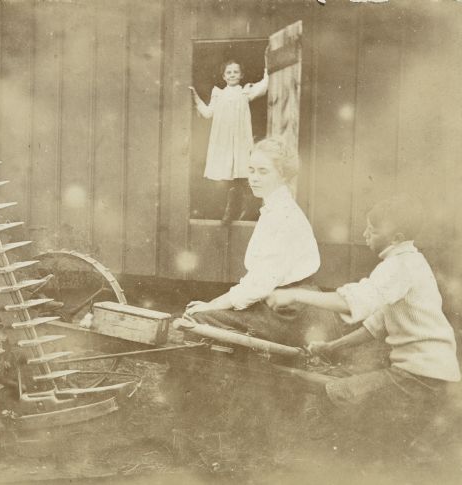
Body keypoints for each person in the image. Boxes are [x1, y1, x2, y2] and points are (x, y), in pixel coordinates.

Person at [266, 195, 461, 450]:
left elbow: (352, 302)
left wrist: (296, 294)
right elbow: (377, 325)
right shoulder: (410, 262)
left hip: (422, 378)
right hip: (427, 375)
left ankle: (327, 456)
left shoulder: (399, 266)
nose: (365, 234)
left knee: (334, 390)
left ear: (396, 238)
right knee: (338, 387)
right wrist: (332, 347)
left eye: (373, 230)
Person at [184, 137, 340, 348]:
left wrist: (212, 306)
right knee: (206, 318)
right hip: (285, 306)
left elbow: (259, 285)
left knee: (197, 322)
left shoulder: (284, 217)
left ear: (283, 175)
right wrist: (215, 307)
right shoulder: (274, 210)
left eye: (263, 171)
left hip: (294, 315)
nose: (254, 178)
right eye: (251, 170)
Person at [189, 60, 268, 224]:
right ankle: (230, 209)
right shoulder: (218, 93)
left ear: (241, 75)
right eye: (229, 72)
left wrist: (267, 67)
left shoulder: (245, 92)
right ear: (224, 76)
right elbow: (207, 113)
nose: (232, 75)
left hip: (239, 139)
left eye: (235, 72)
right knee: (226, 174)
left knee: (241, 172)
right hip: (224, 141)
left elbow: (264, 85)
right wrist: (195, 96)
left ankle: (244, 209)